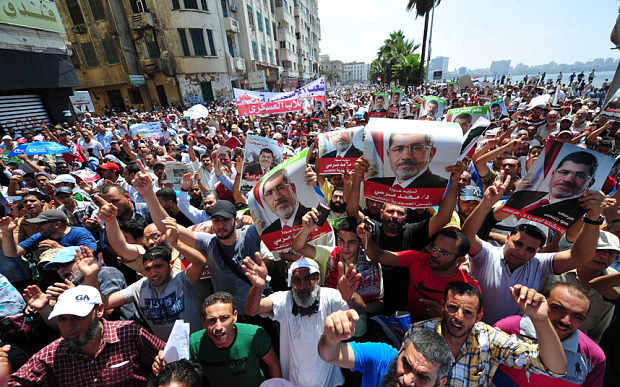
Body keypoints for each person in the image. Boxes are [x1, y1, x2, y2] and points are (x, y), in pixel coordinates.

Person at [461, 174, 612, 324]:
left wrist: (593, 218)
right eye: (518, 244)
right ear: (507, 238)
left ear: (538, 251)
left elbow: (580, 257)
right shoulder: (487, 253)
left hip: (512, 337)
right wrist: (487, 203)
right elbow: (466, 236)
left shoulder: (539, 264)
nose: (521, 252)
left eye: (530, 249)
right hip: (472, 328)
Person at [409, 281, 567, 387]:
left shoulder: (491, 339)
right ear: (443, 306)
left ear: (479, 318)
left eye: (468, 312)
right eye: (452, 307)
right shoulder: (418, 332)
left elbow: (554, 368)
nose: (458, 316)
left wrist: (540, 319)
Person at [4, 285, 165, 386]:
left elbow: (174, 362)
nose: (69, 327)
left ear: (100, 311)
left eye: (77, 317)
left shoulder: (129, 333)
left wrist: (162, 365)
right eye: (62, 319)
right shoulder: (52, 355)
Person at [79, 216, 207, 340]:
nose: (153, 273)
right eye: (148, 269)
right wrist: (91, 275)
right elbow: (105, 303)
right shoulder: (140, 287)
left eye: (158, 266)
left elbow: (200, 262)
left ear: (171, 264)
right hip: (166, 352)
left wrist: (176, 243)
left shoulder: (183, 279)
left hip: (197, 346)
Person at [243, 256, 359, 387]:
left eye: (308, 278)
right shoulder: (284, 299)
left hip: (330, 382)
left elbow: (359, 310)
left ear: (318, 279)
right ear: (291, 281)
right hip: (293, 382)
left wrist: (348, 299)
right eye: (297, 280)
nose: (302, 285)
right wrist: (258, 287)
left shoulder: (330, 296)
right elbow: (252, 310)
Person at [152, 292, 282, 387]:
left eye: (224, 318)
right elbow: (177, 370)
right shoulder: (195, 343)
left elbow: (273, 364)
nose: (218, 327)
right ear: (203, 323)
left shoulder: (254, 335)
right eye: (211, 321)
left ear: (235, 316)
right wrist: (162, 362)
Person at [493, 282, 606, 387]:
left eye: (578, 317)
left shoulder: (593, 356)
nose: (566, 321)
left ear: (585, 319)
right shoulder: (507, 329)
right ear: (542, 302)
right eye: (557, 308)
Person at [361, 226, 480, 322]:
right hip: (409, 330)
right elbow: (379, 256)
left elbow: (473, 326)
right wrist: (365, 237)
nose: (434, 254)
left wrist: (444, 317)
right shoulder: (417, 259)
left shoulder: (469, 288)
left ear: (459, 260)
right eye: (434, 247)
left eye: (443, 253)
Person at [293, 215, 383, 336]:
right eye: (341, 240)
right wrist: (306, 229)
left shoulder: (372, 263)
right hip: (331, 329)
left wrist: (355, 303)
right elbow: (298, 247)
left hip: (358, 332)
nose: (345, 247)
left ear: (360, 242)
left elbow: (380, 304)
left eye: (351, 242)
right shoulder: (329, 254)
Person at [318, 310, 453, 387]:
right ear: (399, 351)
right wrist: (331, 338)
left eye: (423, 377)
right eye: (406, 364)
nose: (407, 380)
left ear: (439, 384)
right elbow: (331, 355)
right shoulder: (382, 357)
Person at [508, 151, 598, 224]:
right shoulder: (528, 195)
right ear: (553, 173)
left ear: (590, 184)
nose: (568, 179)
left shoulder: (581, 215)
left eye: (580, 176)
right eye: (564, 172)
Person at [0, 209, 97, 258]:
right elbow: (12, 253)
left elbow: (89, 254)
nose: (37, 226)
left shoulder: (80, 233)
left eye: (41, 223)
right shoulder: (39, 237)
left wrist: (59, 248)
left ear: (57, 224)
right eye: (37, 223)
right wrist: (7, 232)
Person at [367, 132, 449, 189]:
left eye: (416, 148)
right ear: (389, 154)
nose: (406, 156)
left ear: (431, 154)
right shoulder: (376, 184)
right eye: (398, 149)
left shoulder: (443, 186)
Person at [260, 168, 311, 235]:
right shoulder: (268, 233)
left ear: (293, 189)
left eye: (281, 188)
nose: (277, 197)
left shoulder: (315, 217)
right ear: (265, 201)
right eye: (269, 193)